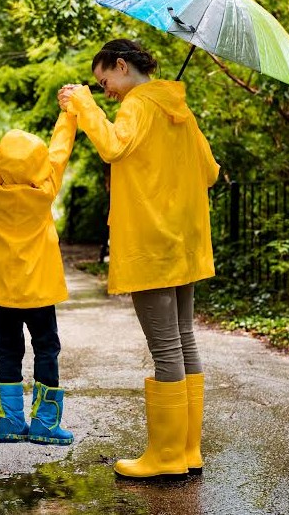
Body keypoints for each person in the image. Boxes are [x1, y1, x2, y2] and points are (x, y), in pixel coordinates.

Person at [57, 38, 220, 479]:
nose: (105, 90)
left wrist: (84, 105)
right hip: (183, 241)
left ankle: (166, 457)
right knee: (184, 339)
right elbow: (210, 172)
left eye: (103, 81)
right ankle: (188, 450)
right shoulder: (179, 109)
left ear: (121, 65)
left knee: (166, 347)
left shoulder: (137, 105)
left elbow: (113, 147)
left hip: (151, 241)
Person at [0, 99, 77, 445]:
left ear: (2, 164)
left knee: (7, 351)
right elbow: (60, 150)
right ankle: (45, 424)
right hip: (39, 291)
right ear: (40, 166)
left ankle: (10, 422)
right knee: (46, 348)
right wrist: (69, 113)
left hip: (0, 291)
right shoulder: (46, 188)